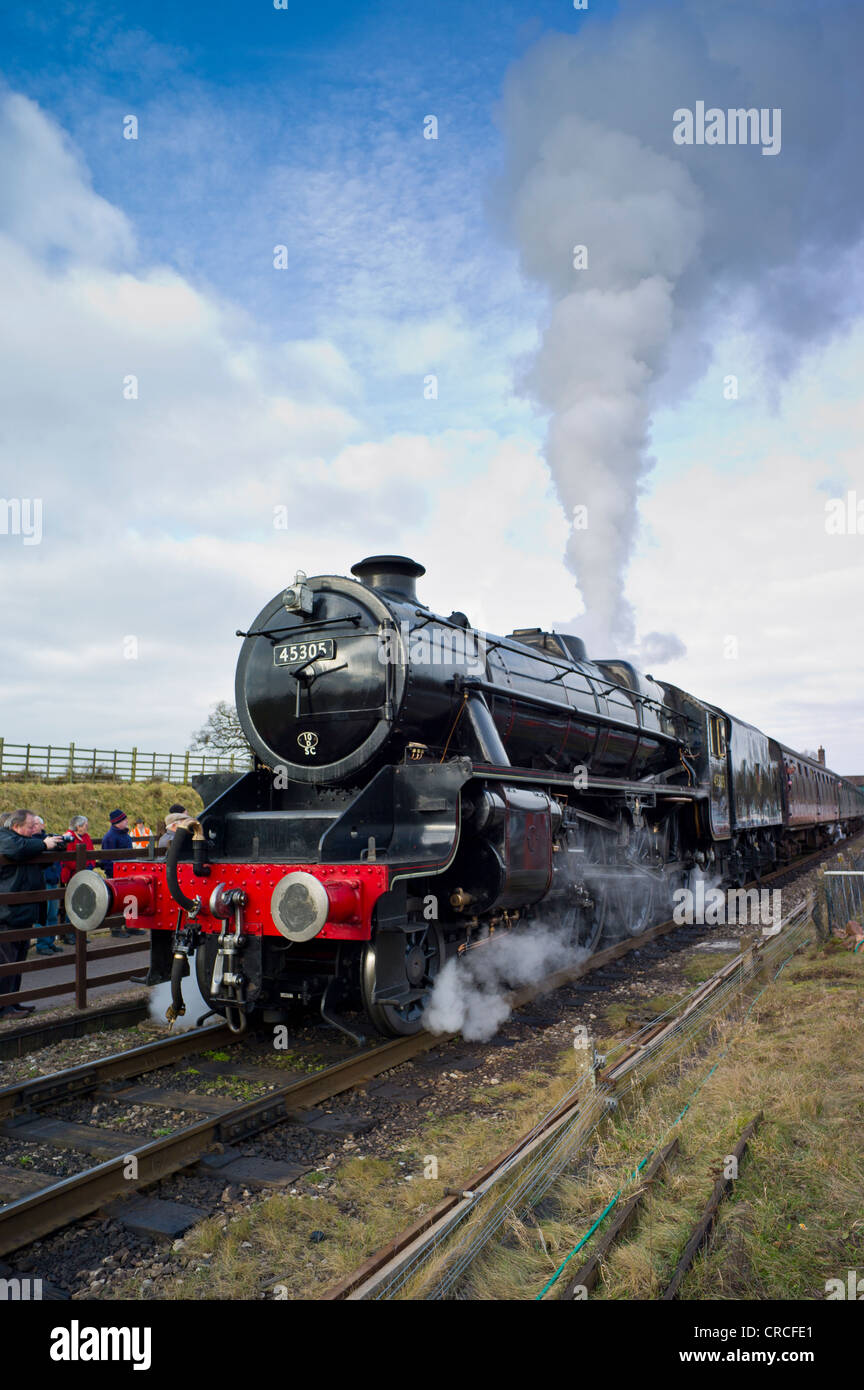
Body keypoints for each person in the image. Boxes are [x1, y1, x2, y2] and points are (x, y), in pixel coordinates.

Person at [0, 809, 66, 1017]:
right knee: (6, 962)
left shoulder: (26, 843)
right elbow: (15, 849)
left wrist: (54, 844)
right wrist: (44, 844)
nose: (34, 830)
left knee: (18, 960)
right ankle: (4, 1007)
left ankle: (13, 1002)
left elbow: (46, 856)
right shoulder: (7, 838)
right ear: (16, 826)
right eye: (30, 826)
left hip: (21, 912)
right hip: (7, 913)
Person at [101, 810, 135, 938]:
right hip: (116, 875)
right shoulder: (109, 837)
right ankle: (116, 928)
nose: (127, 821)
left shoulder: (125, 835)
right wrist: (113, 874)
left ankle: (131, 925)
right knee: (117, 901)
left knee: (131, 897)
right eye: (124, 820)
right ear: (117, 822)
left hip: (128, 873)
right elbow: (107, 858)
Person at [32, 815, 62, 955]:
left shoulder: (50, 839)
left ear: (43, 825)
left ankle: (50, 942)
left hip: (52, 880)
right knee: (42, 915)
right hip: (42, 882)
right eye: (33, 824)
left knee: (52, 914)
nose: (35, 826)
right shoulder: (32, 842)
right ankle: (42, 944)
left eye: (37, 823)